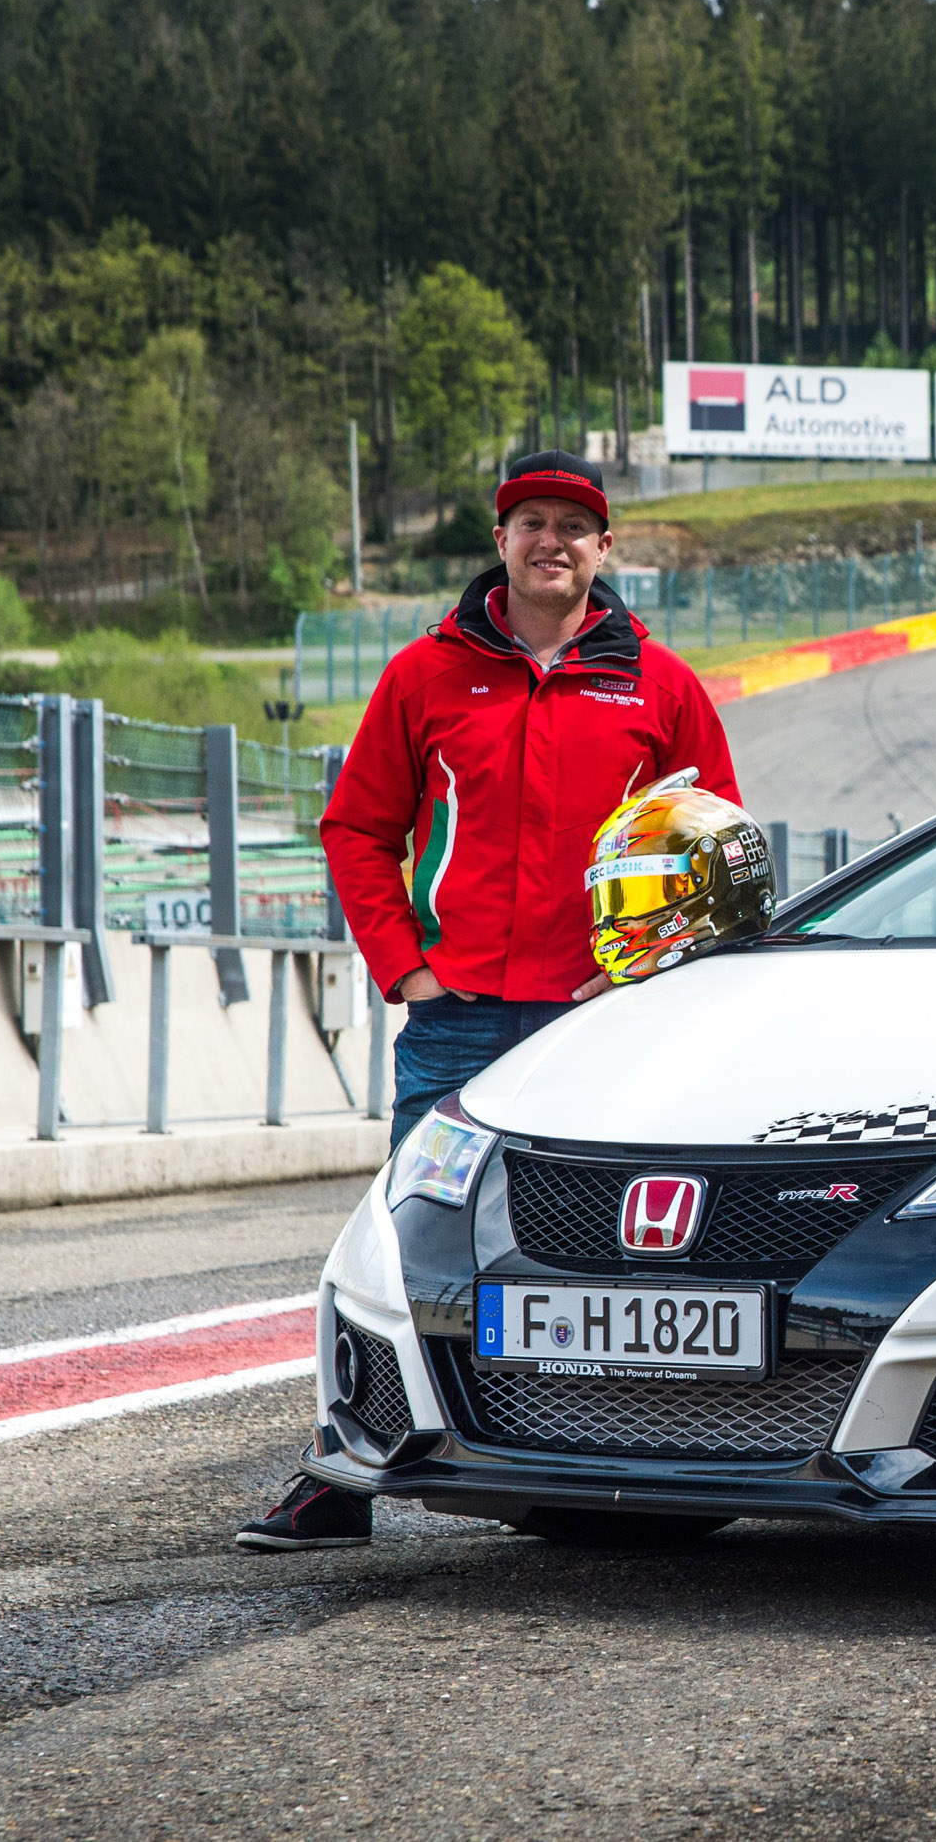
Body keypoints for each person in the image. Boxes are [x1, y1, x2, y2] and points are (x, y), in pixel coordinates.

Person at [236, 449, 740, 1551]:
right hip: (456, 1016)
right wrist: (407, 968)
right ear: (501, 543)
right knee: (408, 1245)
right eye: (529, 522)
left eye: (573, 524)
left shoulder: (661, 686)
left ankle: (621, 1471)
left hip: (603, 1024)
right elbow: (357, 827)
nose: (550, 540)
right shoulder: (426, 673)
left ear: (606, 550)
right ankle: (344, 1472)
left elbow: (718, 845)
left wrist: (652, 978)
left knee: (613, 1256)